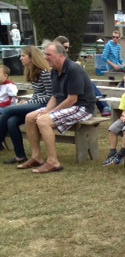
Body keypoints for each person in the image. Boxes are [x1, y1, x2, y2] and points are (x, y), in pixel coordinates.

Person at [18, 41, 96, 173]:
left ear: (61, 55)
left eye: (49, 54)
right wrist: (47, 110)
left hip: (82, 106)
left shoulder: (73, 70)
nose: (45, 57)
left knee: (43, 120)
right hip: (67, 105)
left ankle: (53, 162)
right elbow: (55, 96)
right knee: (30, 117)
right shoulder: (54, 71)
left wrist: (50, 113)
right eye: (45, 54)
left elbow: (72, 99)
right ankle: (36, 157)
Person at [0, 46, 52, 165]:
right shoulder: (31, 71)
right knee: (12, 121)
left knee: (8, 110)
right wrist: (29, 102)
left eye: (23, 55)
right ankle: (20, 156)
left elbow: (50, 96)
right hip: (37, 103)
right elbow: (37, 93)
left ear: (32, 57)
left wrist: (31, 102)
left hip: (46, 105)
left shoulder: (44, 72)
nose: (20, 58)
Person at [54, 36, 111, 117]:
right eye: (65, 47)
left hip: (69, 87)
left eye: (68, 47)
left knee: (86, 80)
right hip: (62, 90)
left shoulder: (62, 58)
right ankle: (104, 106)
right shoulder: (52, 61)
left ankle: (104, 106)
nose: (67, 50)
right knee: (87, 81)